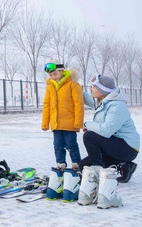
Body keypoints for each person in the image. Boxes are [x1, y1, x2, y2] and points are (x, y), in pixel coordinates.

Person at [77, 75, 139, 208]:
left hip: (128, 147)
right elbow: (85, 97)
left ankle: (99, 171)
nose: (92, 89)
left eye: (95, 87)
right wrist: (71, 82)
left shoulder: (117, 106)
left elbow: (106, 130)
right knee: (83, 166)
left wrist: (87, 124)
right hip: (114, 145)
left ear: (103, 90)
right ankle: (125, 167)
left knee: (89, 136)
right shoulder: (102, 101)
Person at [41, 59, 84, 202]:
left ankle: (76, 165)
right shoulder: (49, 87)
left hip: (69, 123)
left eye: (54, 74)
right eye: (50, 75)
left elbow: (79, 105)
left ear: (61, 71)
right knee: (58, 145)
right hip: (56, 124)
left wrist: (78, 122)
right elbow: (46, 105)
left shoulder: (73, 85)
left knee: (71, 145)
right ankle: (61, 164)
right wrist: (45, 122)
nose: (52, 77)